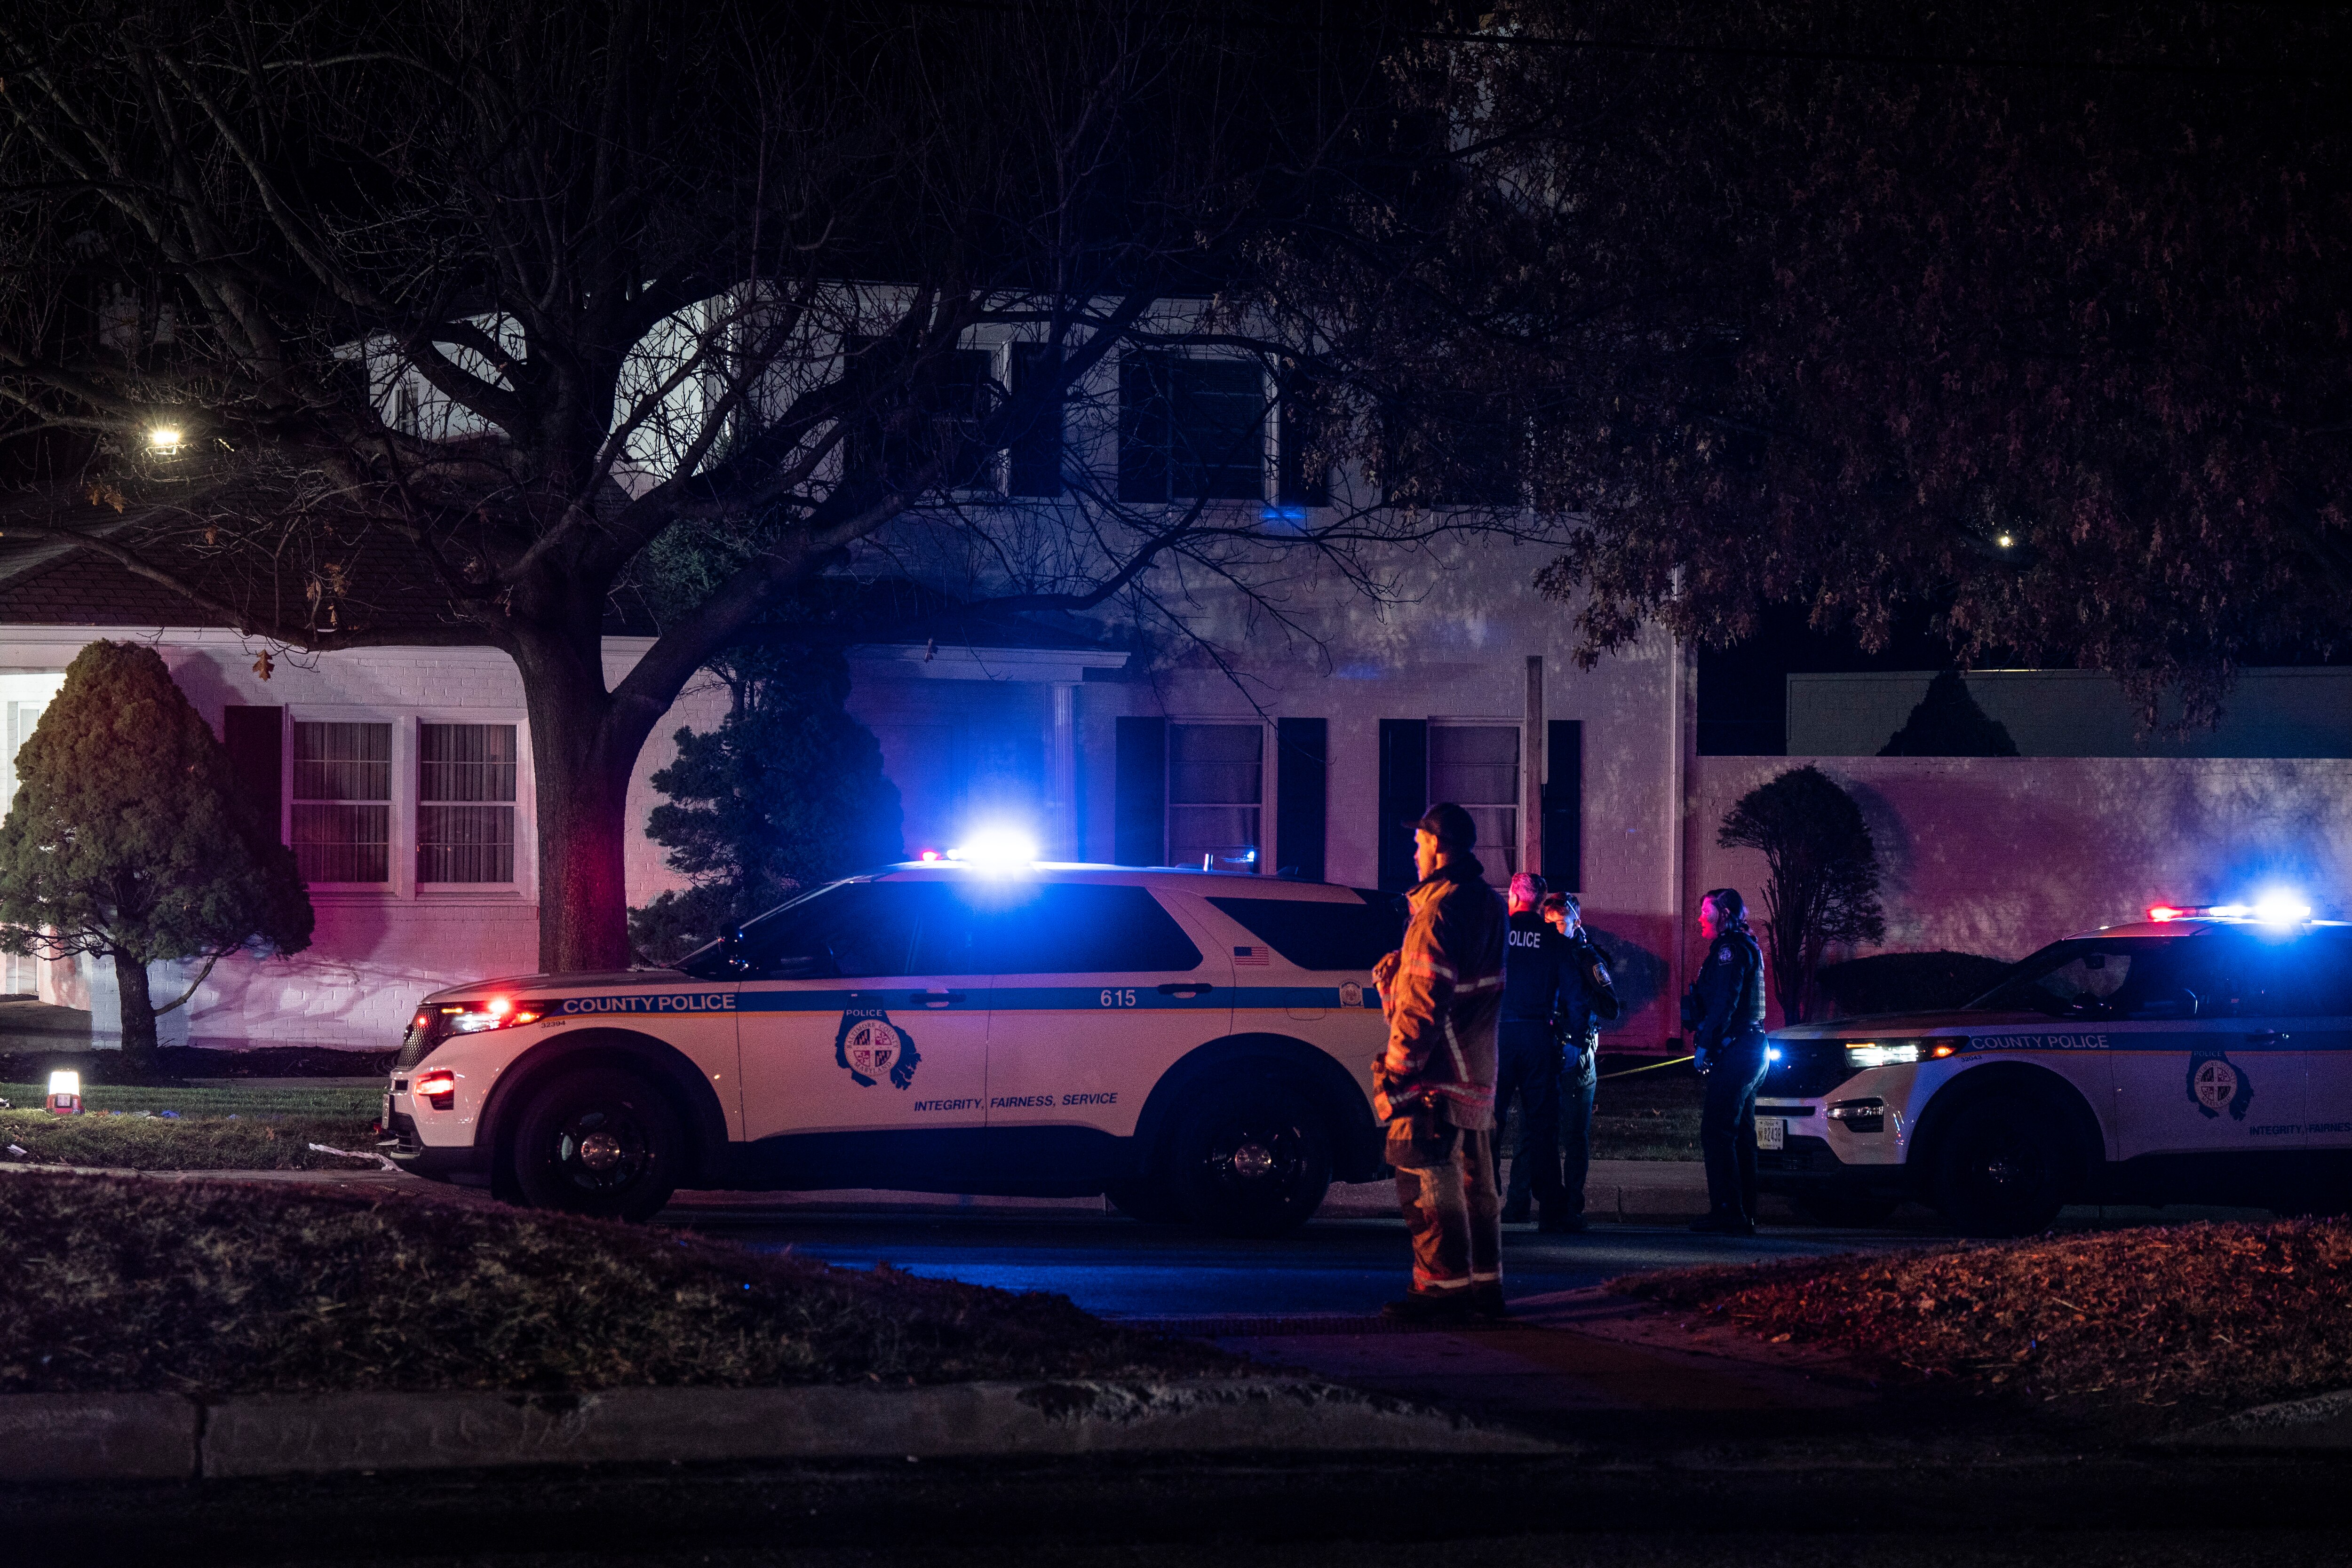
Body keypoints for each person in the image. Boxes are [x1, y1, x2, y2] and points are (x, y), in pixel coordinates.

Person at [1371, 802, 1508, 1321]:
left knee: (1427, 1179)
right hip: (1476, 1068)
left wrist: (1401, 1067)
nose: (1413, 850)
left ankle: (1440, 1292)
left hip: (1436, 1073)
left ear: (1437, 846)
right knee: (1478, 1183)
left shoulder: (1439, 909)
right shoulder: (1490, 904)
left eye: (1418, 842)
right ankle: (1483, 1287)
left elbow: (1426, 1000)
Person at [1688, 887, 1770, 1235]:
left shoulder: (1729, 949)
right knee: (1741, 1134)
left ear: (1723, 914)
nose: (1700, 918)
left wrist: (1705, 1045)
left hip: (1737, 1050)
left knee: (1717, 1130)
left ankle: (1727, 1212)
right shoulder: (1745, 944)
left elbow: (1725, 1002)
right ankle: (1745, 1212)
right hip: (1752, 1048)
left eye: (1706, 911)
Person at [1541, 891, 1621, 1232]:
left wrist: (1582, 988)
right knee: (1541, 1130)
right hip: (1546, 1048)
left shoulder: (1586, 957)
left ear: (1576, 922)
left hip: (1578, 1052)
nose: (1556, 930)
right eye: (1550, 925)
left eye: (1562, 923)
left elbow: (1610, 1007)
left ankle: (1573, 1205)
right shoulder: (1541, 955)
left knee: (1575, 1133)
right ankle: (1536, 1205)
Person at [1493, 871, 1566, 1228]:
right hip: (1538, 1035)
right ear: (1541, 902)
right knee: (1542, 1124)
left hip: (1499, 1035)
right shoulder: (1554, 940)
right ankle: (1551, 1207)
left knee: (1490, 1119)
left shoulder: (1498, 935)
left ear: (1513, 896)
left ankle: (1484, 1195)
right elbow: (1572, 996)